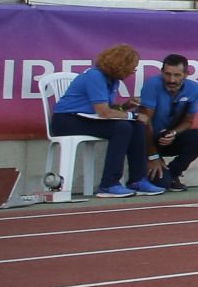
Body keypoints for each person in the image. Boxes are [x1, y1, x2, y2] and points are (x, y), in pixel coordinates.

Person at [50, 44, 154, 198]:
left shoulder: (113, 80)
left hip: (85, 118)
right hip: (66, 121)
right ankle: (108, 184)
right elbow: (104, 112)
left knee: (136, 126)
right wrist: (134, 115)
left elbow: (106, 108)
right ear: (120, 65)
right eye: (132, 66)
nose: (134, 70)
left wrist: (125, 106)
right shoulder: (95, 76)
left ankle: (137, 180)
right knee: (123, 127)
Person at [138, 52, 198, 190]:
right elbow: (144, 121)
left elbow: (188, 122)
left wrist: (173, 133)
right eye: (167, 74)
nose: (171, 80)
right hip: (147, 140)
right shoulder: (152, 84)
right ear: (162, 72)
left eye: (177, 75)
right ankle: (165, 177)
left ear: (186, 74)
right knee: (161, 184)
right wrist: (153, 156)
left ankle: (172, 173)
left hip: (168, 138)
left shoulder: (194, 88)